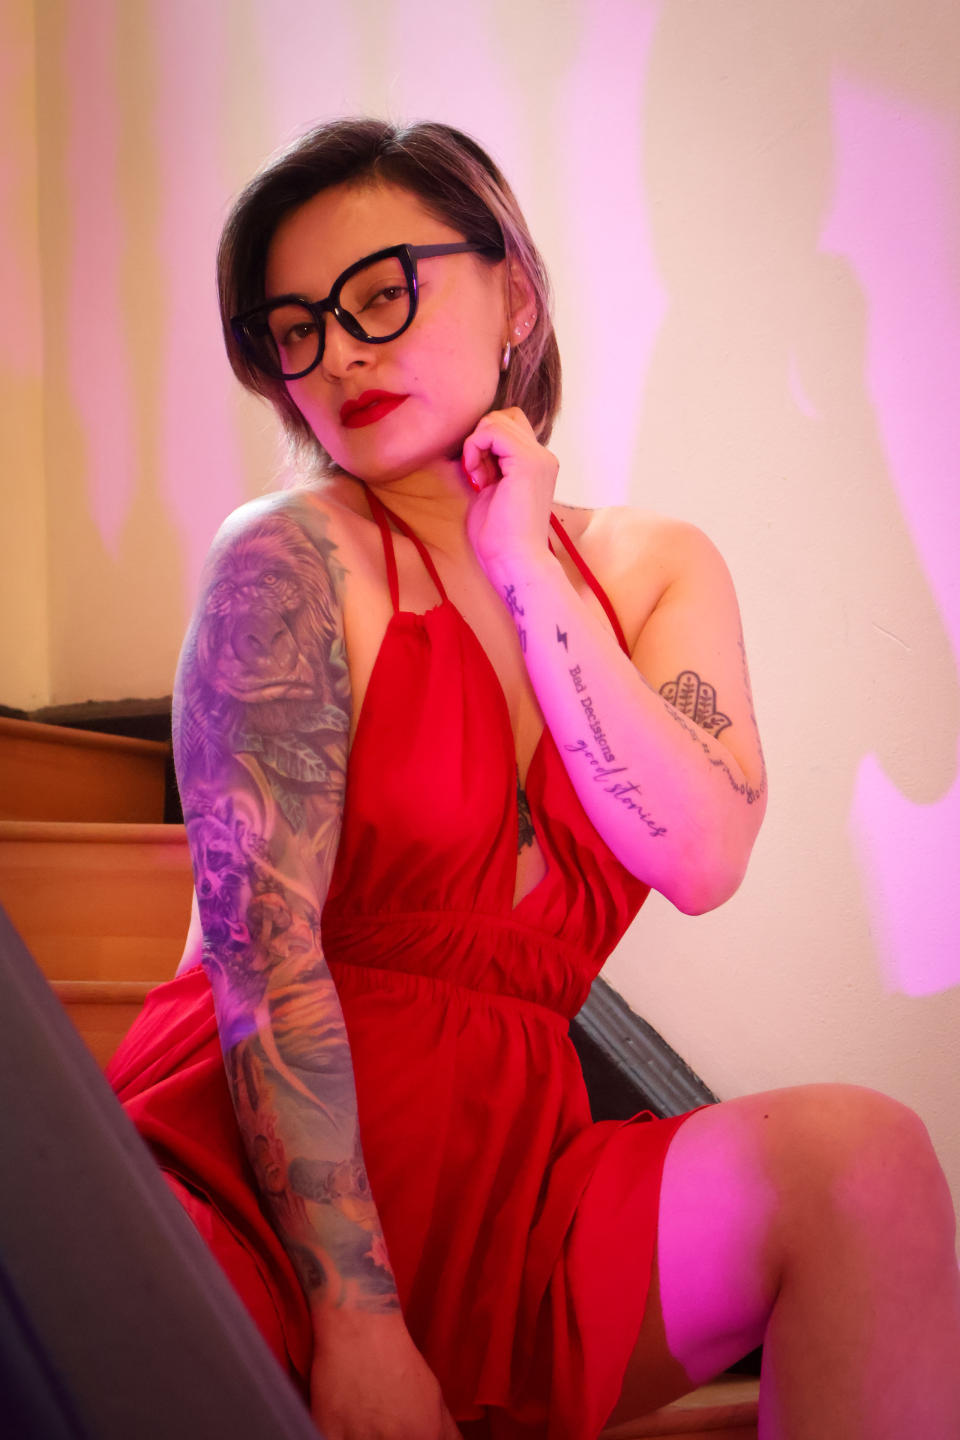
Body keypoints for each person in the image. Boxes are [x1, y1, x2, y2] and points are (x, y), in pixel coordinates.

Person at [107, 118, 960, 1440]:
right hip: (256, 1186)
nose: (341, 353)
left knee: (866, 1159)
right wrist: (359, 1320)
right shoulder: (285, 558)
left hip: (516, 1178)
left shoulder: (654, 568)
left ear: (514, 293)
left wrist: (527, 569)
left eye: (381, 294)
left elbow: (702, 856)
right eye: (296, 329)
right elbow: (262, 963)